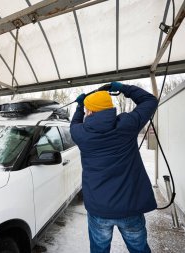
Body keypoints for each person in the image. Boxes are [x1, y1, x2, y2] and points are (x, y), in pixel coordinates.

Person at [70, 81, 158, 253]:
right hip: (130, 207)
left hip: (99, 209)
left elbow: (74, 123)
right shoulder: (128, 125)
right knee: (139, 249)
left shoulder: (81, 134)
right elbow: (150, 101)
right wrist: (124, 88)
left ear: (90, 111)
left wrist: (80, 106)